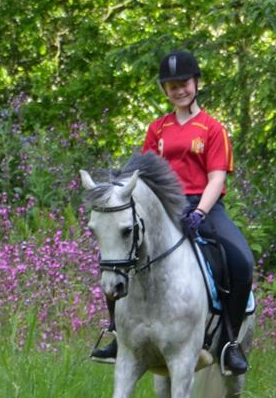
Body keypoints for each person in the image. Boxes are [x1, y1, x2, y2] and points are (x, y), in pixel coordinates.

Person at [91, 49, 254, 375]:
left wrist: (200, 213)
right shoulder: (157, 130)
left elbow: (217, 177)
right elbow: (145, 175)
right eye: (172, 86)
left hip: (203, 205)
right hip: (162, 208)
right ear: (165, 90)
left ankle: (228, 343)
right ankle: (115, 333)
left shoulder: (213, 129)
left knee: (242, 261)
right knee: (116, 255)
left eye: (185, 83)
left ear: (196, 83)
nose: (179, 90)